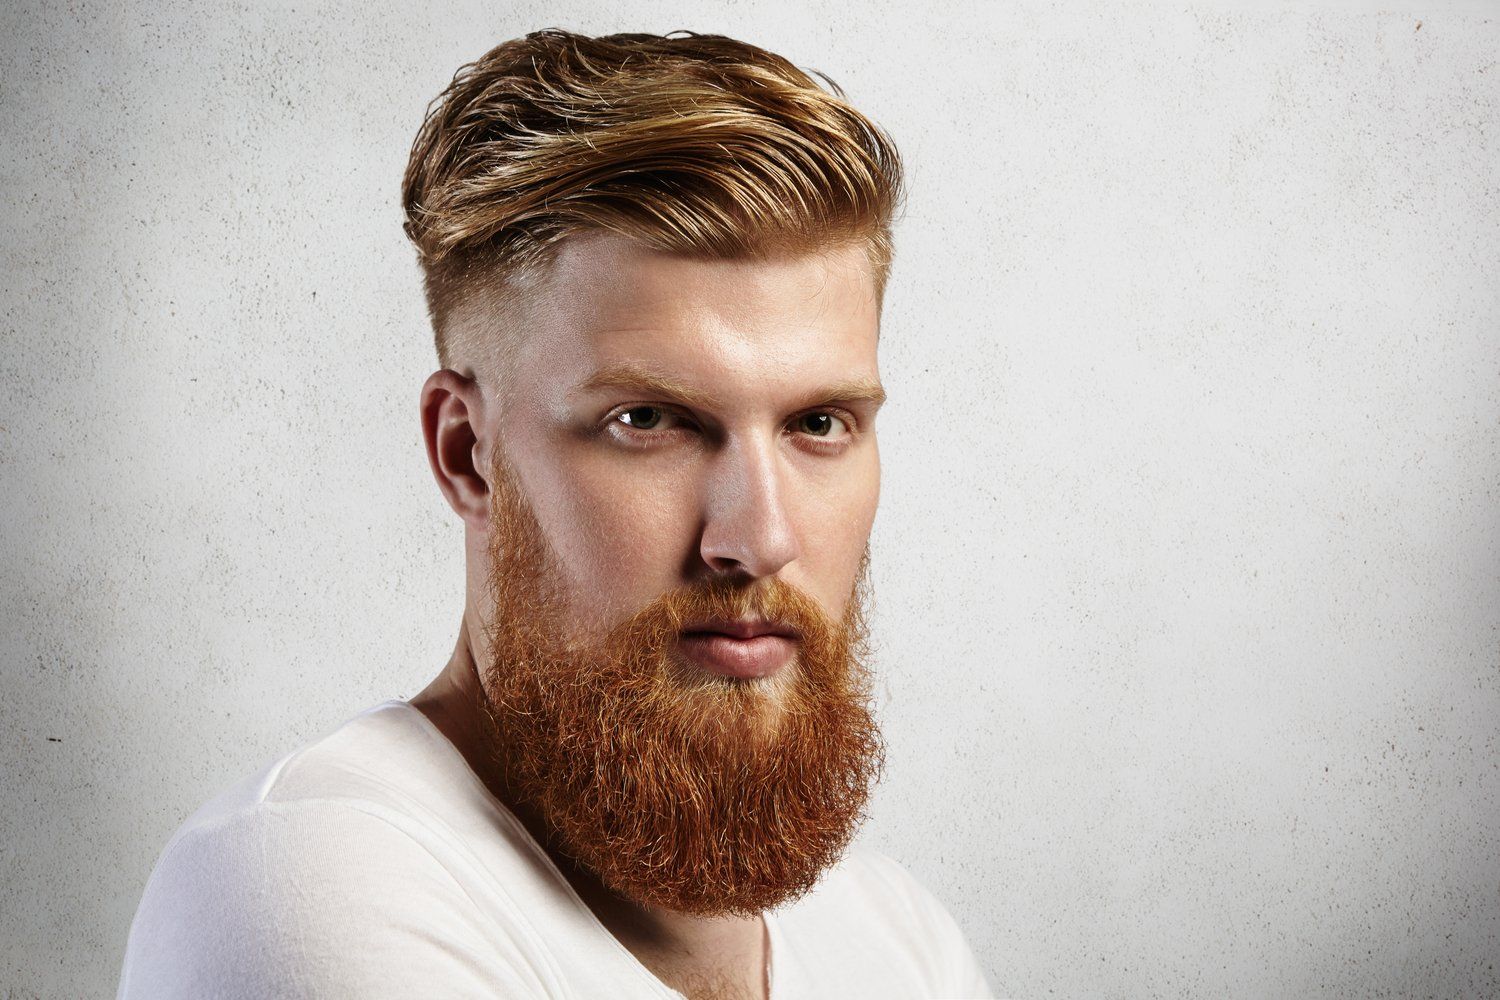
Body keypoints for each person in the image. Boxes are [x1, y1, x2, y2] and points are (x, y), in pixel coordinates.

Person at [117, 28, 993, 1000]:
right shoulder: (304, 884)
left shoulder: (903, 942)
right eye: (649, 420)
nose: (761, 538)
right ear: (467, 452)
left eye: (819, 423)